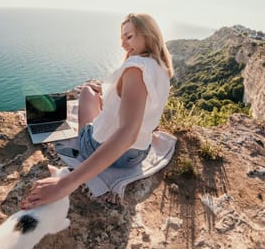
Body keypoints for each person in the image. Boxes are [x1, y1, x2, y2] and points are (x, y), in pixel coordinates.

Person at [21, 13, 174, 210]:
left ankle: (77, 131)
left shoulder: (136, 69)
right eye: (122, 39)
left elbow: (128, 133)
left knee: (86, 91)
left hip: (109, 149)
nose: (124, 44)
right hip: (139, 154)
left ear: (149, 34)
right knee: (97, 97)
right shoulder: (160, 67)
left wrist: (66, 183)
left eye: (129, 37)